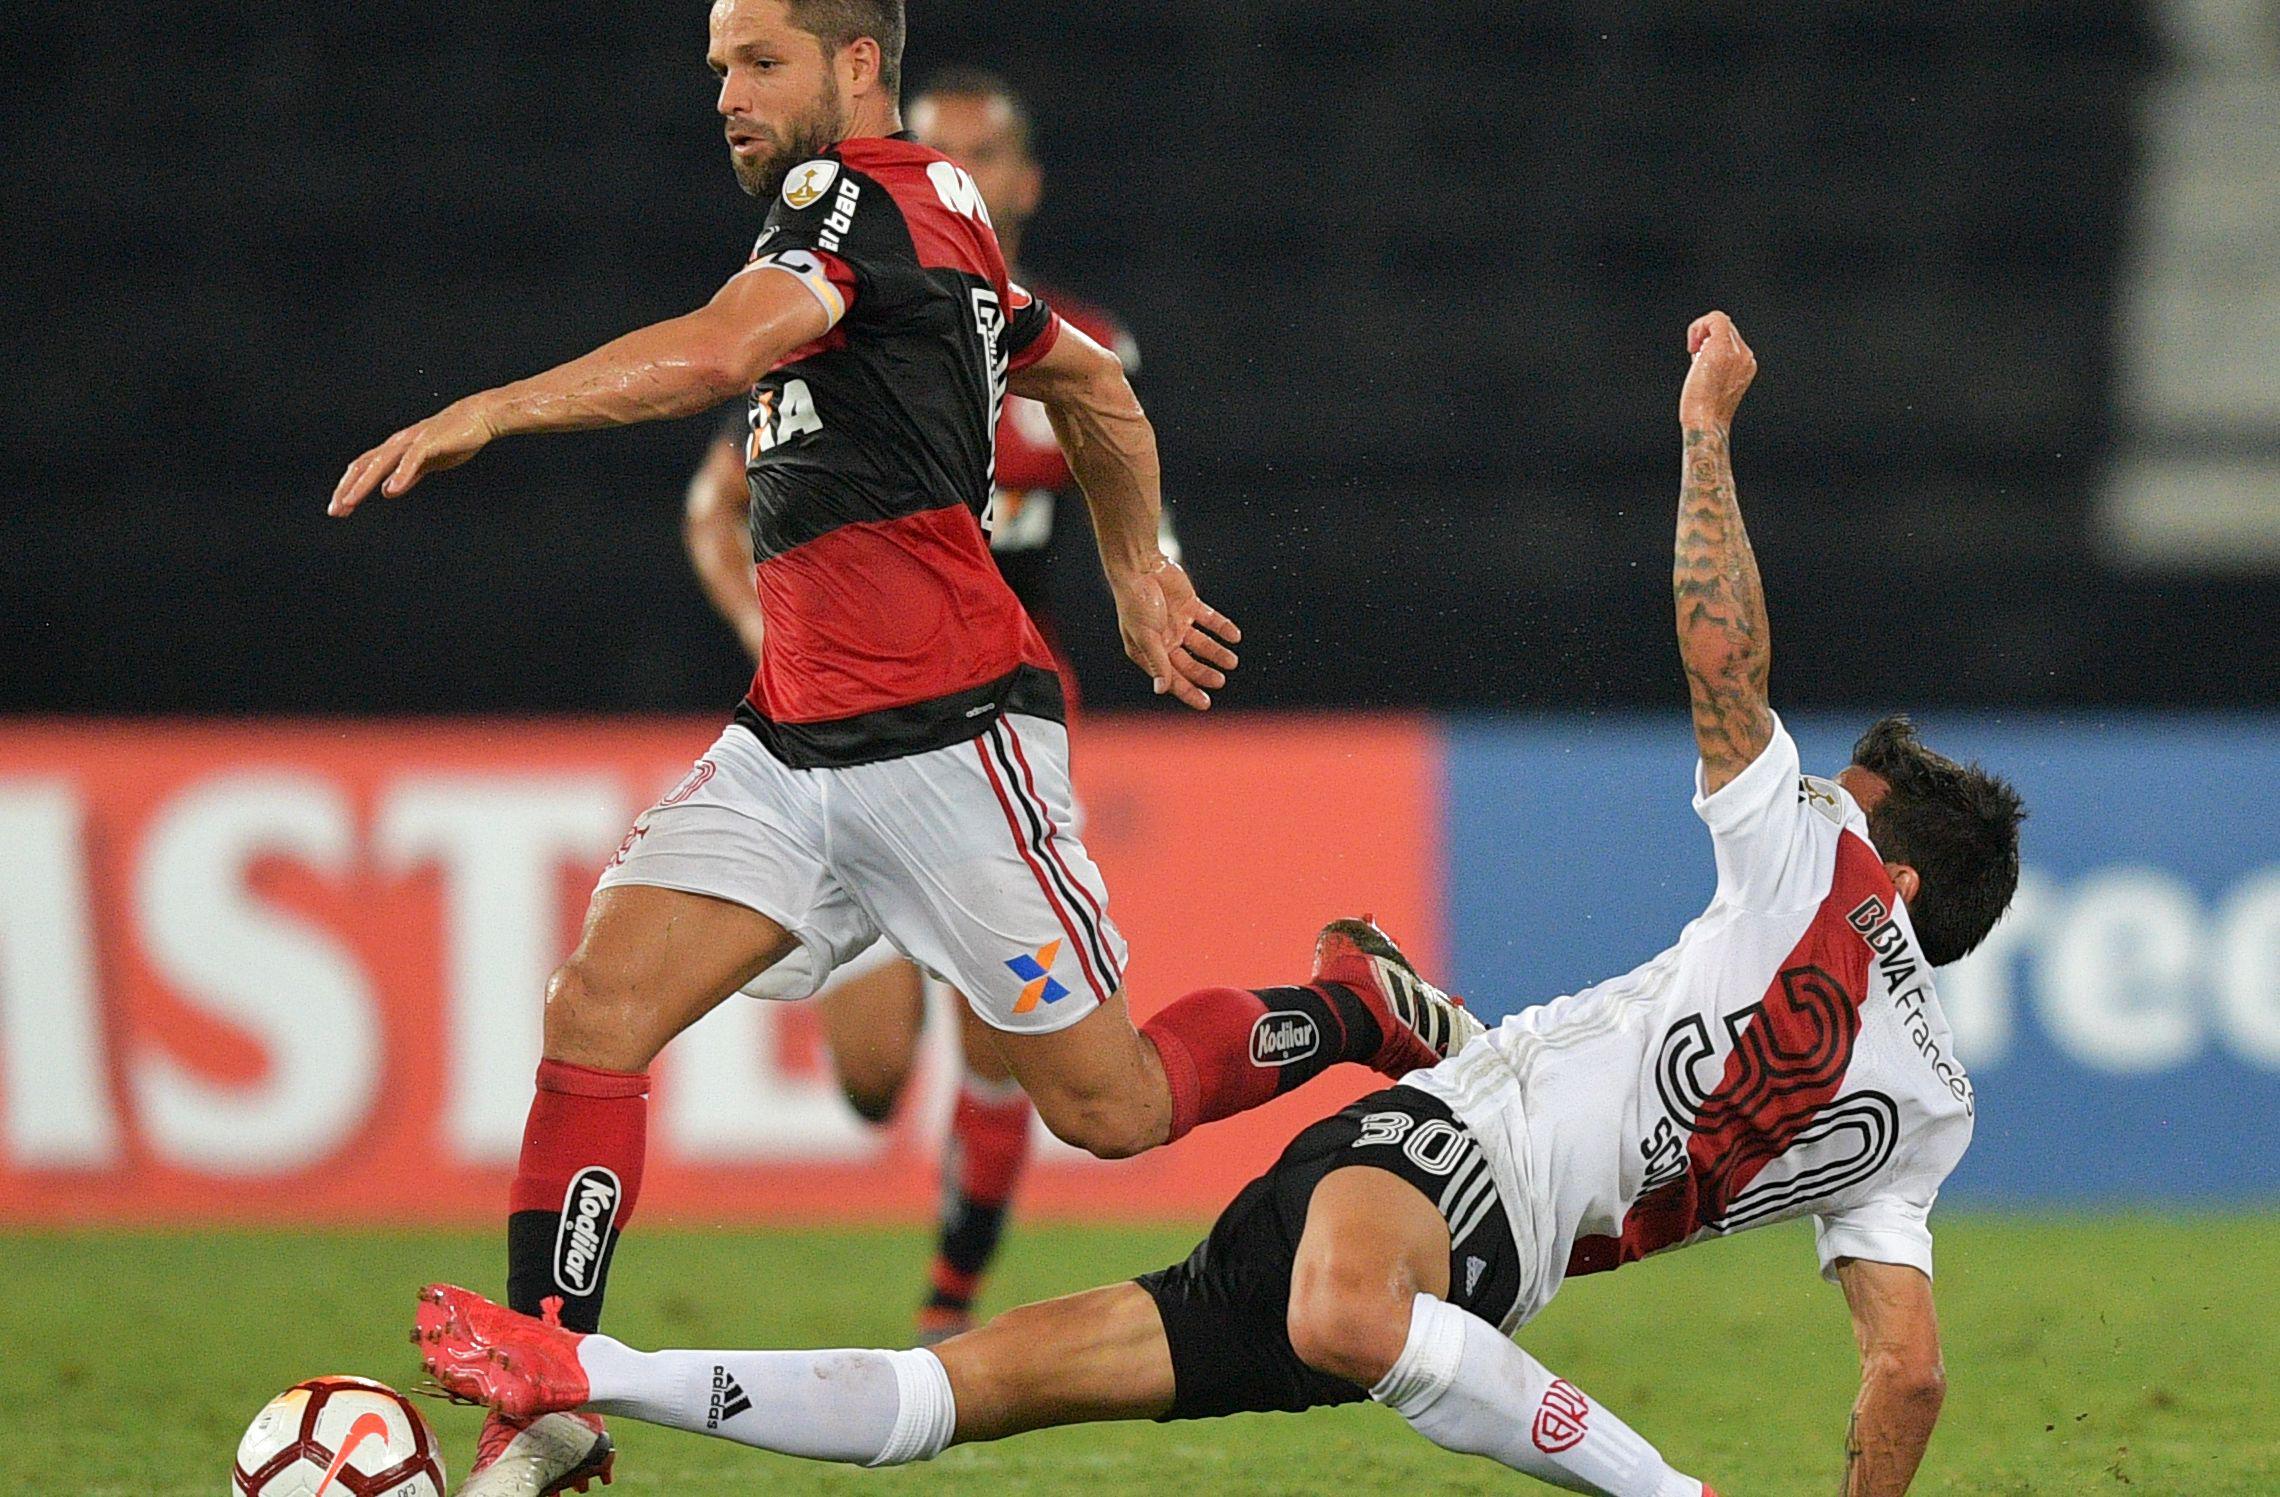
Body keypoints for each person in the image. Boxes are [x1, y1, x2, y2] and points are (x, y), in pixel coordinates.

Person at [414, 313, 2027, 1497]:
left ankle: (584, 1368)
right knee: (1025, 1371)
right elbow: (1912, 1365)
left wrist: (1703, 433)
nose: (1813, 799)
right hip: (1459, 1224)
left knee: (1077, 1329)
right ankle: (575, 1387)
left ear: (1884, 867)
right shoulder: (1930, 1112)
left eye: (1844, 805)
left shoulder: (1814, 874)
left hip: (1445, 1197)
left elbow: (1724, 662)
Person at [332, 2, 1475, 1491]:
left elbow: (723, 349)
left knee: (1112, 1106)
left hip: (950, 744)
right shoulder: (933, 230)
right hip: (792, 740)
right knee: (596, 1005)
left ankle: (1347, 1005)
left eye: (760, 63)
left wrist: (496, 406)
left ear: (857, 64)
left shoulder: (852, 199)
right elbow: (1093, 383)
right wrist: (1140, 568)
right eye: (718, 70)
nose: (727, 97)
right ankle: (552, 1395)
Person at [680, 66, 1169, 1346]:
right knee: (869, 1078)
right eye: (933, 146)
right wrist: (762, 625)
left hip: (997, 717)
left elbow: (1132, 481)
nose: (959, 170)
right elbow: (713, 507)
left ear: (1018, 181)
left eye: (983, 151)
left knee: (1009, 1044)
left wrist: (1148, 577)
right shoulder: (848, 312)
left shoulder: (1080, 349)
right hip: (851, 716)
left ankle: (947, 1307)